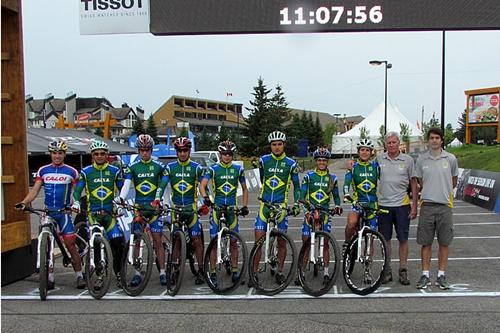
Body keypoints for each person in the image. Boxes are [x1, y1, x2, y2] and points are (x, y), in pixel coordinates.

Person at [15, 140, 85, 290]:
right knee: (48, 245)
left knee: (70, 244)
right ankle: (50, 278)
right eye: (54, 153)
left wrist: (75, 203)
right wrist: (24, 202)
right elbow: (35, 191)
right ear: (50, 154)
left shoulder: (72, 172)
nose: (57, 156)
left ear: (64, 154)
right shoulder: (43, 170)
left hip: (64, 212)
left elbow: (77, 193)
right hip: (48, 212)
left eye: (60, 153)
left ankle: (79, 275)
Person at [116, 134, 169, 286]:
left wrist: (164, 202)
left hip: (153, 209)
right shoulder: (133, 167)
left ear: (151, 150)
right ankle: (138, 272)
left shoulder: (158, 166)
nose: (144, 153)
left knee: (158, 241)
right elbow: (126, 185)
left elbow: (163, 186)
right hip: (139, 209)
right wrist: (121, 199)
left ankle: (163, 272)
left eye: (147, 150)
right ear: (138, 151)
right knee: (137, 242)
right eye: (142, 150)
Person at [72, 140, 125, 287]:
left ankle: (119, 273)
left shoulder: (115, 171)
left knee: (117, 241)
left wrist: (120, 203)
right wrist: (76, 202)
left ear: (107, 155)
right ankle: (100, 275)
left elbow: (122, 191)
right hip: (93, 214)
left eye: (102, 154)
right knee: (95, 242)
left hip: (109, 215)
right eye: (96, 154)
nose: (100, 156)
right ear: (92, 156)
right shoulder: (86, 172)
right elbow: (77, 191)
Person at [155, 137, 206, 285]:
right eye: (179, 151)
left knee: (197, 240)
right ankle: (175, 269)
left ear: (189, 151)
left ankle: (201, 269)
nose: (182, 153)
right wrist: (158, 199)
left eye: (185, 150)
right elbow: (162, 185)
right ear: (176, 152)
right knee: (176, 240)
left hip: (191, 209)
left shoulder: (196, 168)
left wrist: (205, 201)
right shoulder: (170, 168)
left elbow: (204, 188)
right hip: (176, 209)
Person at [252, 130, 301, 285]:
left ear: (284, 145)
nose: (277, 147)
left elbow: (297, 187)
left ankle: (279, 271)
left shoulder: (291, 164)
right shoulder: (264, 161)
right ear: (270, 146)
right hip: (264, 205)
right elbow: (262, 178)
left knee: (281, 242)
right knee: (258, 240)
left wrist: (297, 204)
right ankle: (253, 273)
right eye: (274, 145)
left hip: (281, 207)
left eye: (280, 144)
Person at [199, 140, 249, 287]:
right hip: (217, 207)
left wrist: (245, 206)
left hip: (232, 208)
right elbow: (202, 185)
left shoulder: (238, 169)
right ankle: (213, 272)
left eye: (229, 154)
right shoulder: (213, 169)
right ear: (220, 154)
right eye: (224, 154)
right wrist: (206, 198)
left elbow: (245, 189)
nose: (227, 156)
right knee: (214, 242)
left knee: (234, 241)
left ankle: (234, 271)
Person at [413, 128, 458, 290]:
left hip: (445, 206)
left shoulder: (451, 159)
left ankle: (441, 275)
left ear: (441, 140)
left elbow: (454, 180)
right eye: (431, 138)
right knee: (426, 242)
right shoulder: (421, 159)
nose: (434, 140)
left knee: (444, 242)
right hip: (427, 205)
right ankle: (425, 274)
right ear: (428, 140)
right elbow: (420, 181)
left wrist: (442, 192)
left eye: (437, 138)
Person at [376, 132, 418, 285]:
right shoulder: (379, 159)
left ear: (399, 143)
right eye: (389, 142)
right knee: (385, 239)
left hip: (402, 205)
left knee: (403, 239)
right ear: (385, 144)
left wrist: (415, 206)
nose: (392, 145)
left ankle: (403, 270)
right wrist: (351, 165)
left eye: (394, 142)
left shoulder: (408, 160)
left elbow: (413, 183)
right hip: (384, 206)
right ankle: (387, 270)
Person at [297, 147, 342, 285]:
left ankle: (327, 273)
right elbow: (302, 196)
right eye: (319, 160)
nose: (322, 162)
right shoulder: (309, 177)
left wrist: (338, 206)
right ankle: (302, 272)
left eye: (324, 160)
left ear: (327, 161)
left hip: (324, 213)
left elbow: (336, 197)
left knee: (326, 243)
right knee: (306, 242)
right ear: (316, 161)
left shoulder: (332, 178)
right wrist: (305, 211)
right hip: (311, 211)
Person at [343, 139, 380, 247]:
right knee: (351, 223)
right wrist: (346, 194)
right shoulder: (353, 167)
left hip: (373, 204)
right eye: (362, 150)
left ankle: (368, 259)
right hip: (358, 202)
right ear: (358, 152)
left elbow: (385, 182)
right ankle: (347, 243)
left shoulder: (375, 167)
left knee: (371, 238)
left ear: (371, 152)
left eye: (367, 150)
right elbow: (346, 183)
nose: (364, 152)